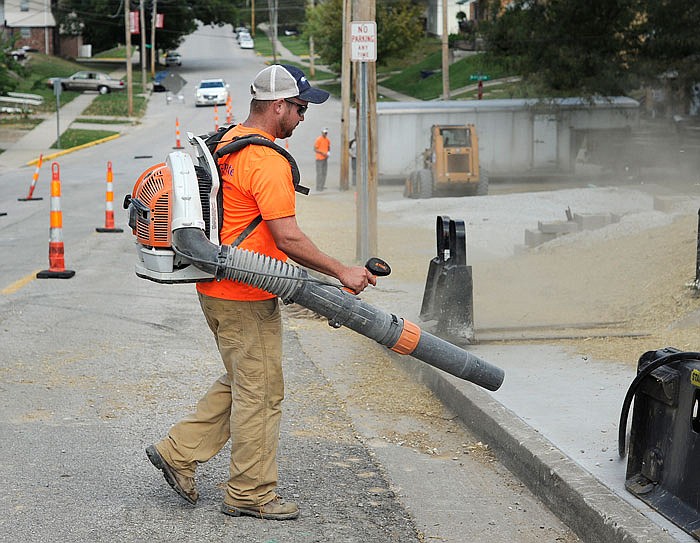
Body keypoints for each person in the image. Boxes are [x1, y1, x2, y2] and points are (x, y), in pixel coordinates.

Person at [145, 64, 376, 521]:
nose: (304, 117)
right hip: (244, 294)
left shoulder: (228, 141)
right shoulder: (266, 159)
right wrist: (342, 272)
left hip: (215, 287)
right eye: (300, 107)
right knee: (262, 392)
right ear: (278, 106)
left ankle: (179, 451)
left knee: (245, 381)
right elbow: (288, 238)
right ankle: (249, 492)